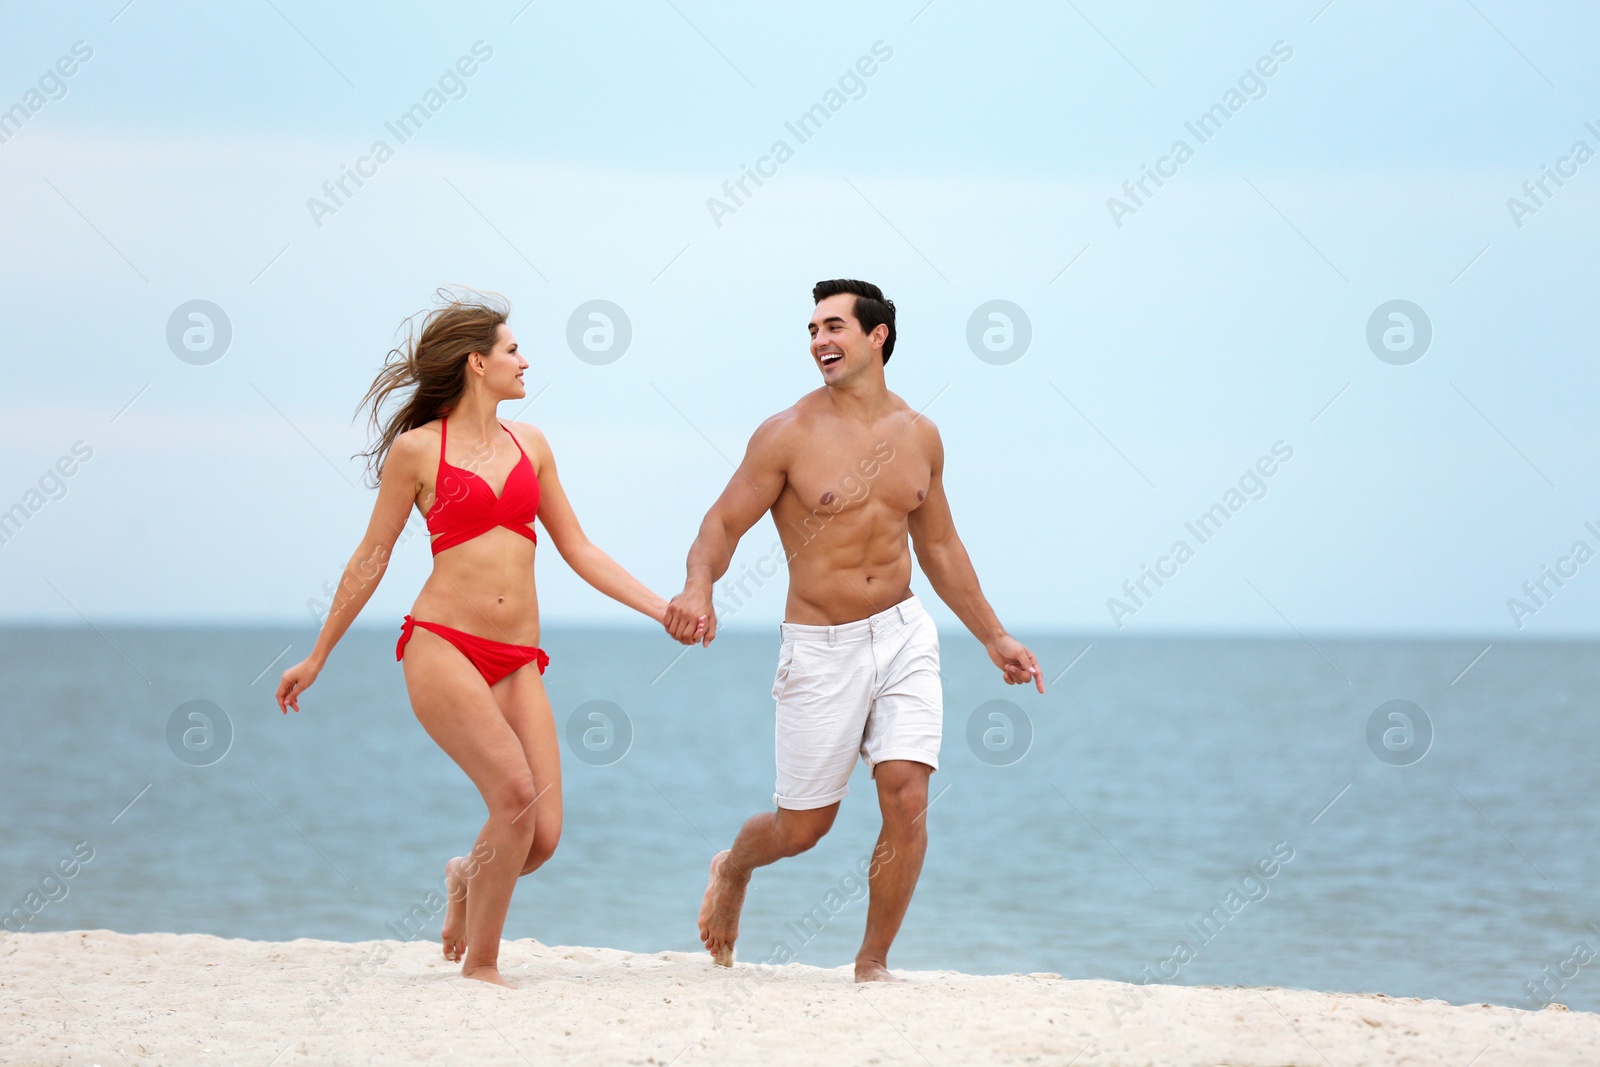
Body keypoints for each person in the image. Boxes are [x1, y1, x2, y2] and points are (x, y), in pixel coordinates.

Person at [275, 291, 700, 988]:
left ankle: (465, 876)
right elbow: (371, 557)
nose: (524, 360)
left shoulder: (531, 445)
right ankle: (482, 965)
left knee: (544, 833)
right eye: (511, 350)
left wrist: (663, 609)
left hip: (517, 657)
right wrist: (319, 653)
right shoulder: (419, 450)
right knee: (513, 796)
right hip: (442, 642)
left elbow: (581, 549)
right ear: (477, 363)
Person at [664, 279, 1044, 982]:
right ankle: (734, 866)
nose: (819, 341)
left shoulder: (920, 434)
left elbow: (940, 548)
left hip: (902, 634)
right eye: (811, 330)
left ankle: (872, 963)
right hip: (822, 645)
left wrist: (994, 635)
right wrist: (698, 585)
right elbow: (721, 523)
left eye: (833, 326)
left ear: (878, 336)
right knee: (802, 829)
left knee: (907, 796)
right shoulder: (788, 434)